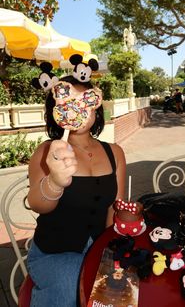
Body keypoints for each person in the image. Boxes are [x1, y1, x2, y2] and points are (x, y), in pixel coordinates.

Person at [27, 74, 126, 307]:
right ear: (57, 110)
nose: (76, 110)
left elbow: (116, 206)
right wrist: (55, 182)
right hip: (54, 251)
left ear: (95, 106)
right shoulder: (47, 152)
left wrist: (109, 252)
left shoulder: (115, 152)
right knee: (70, 281)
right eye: (68, 104)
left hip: (100, 249)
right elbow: (37, 203)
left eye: (84, 102)